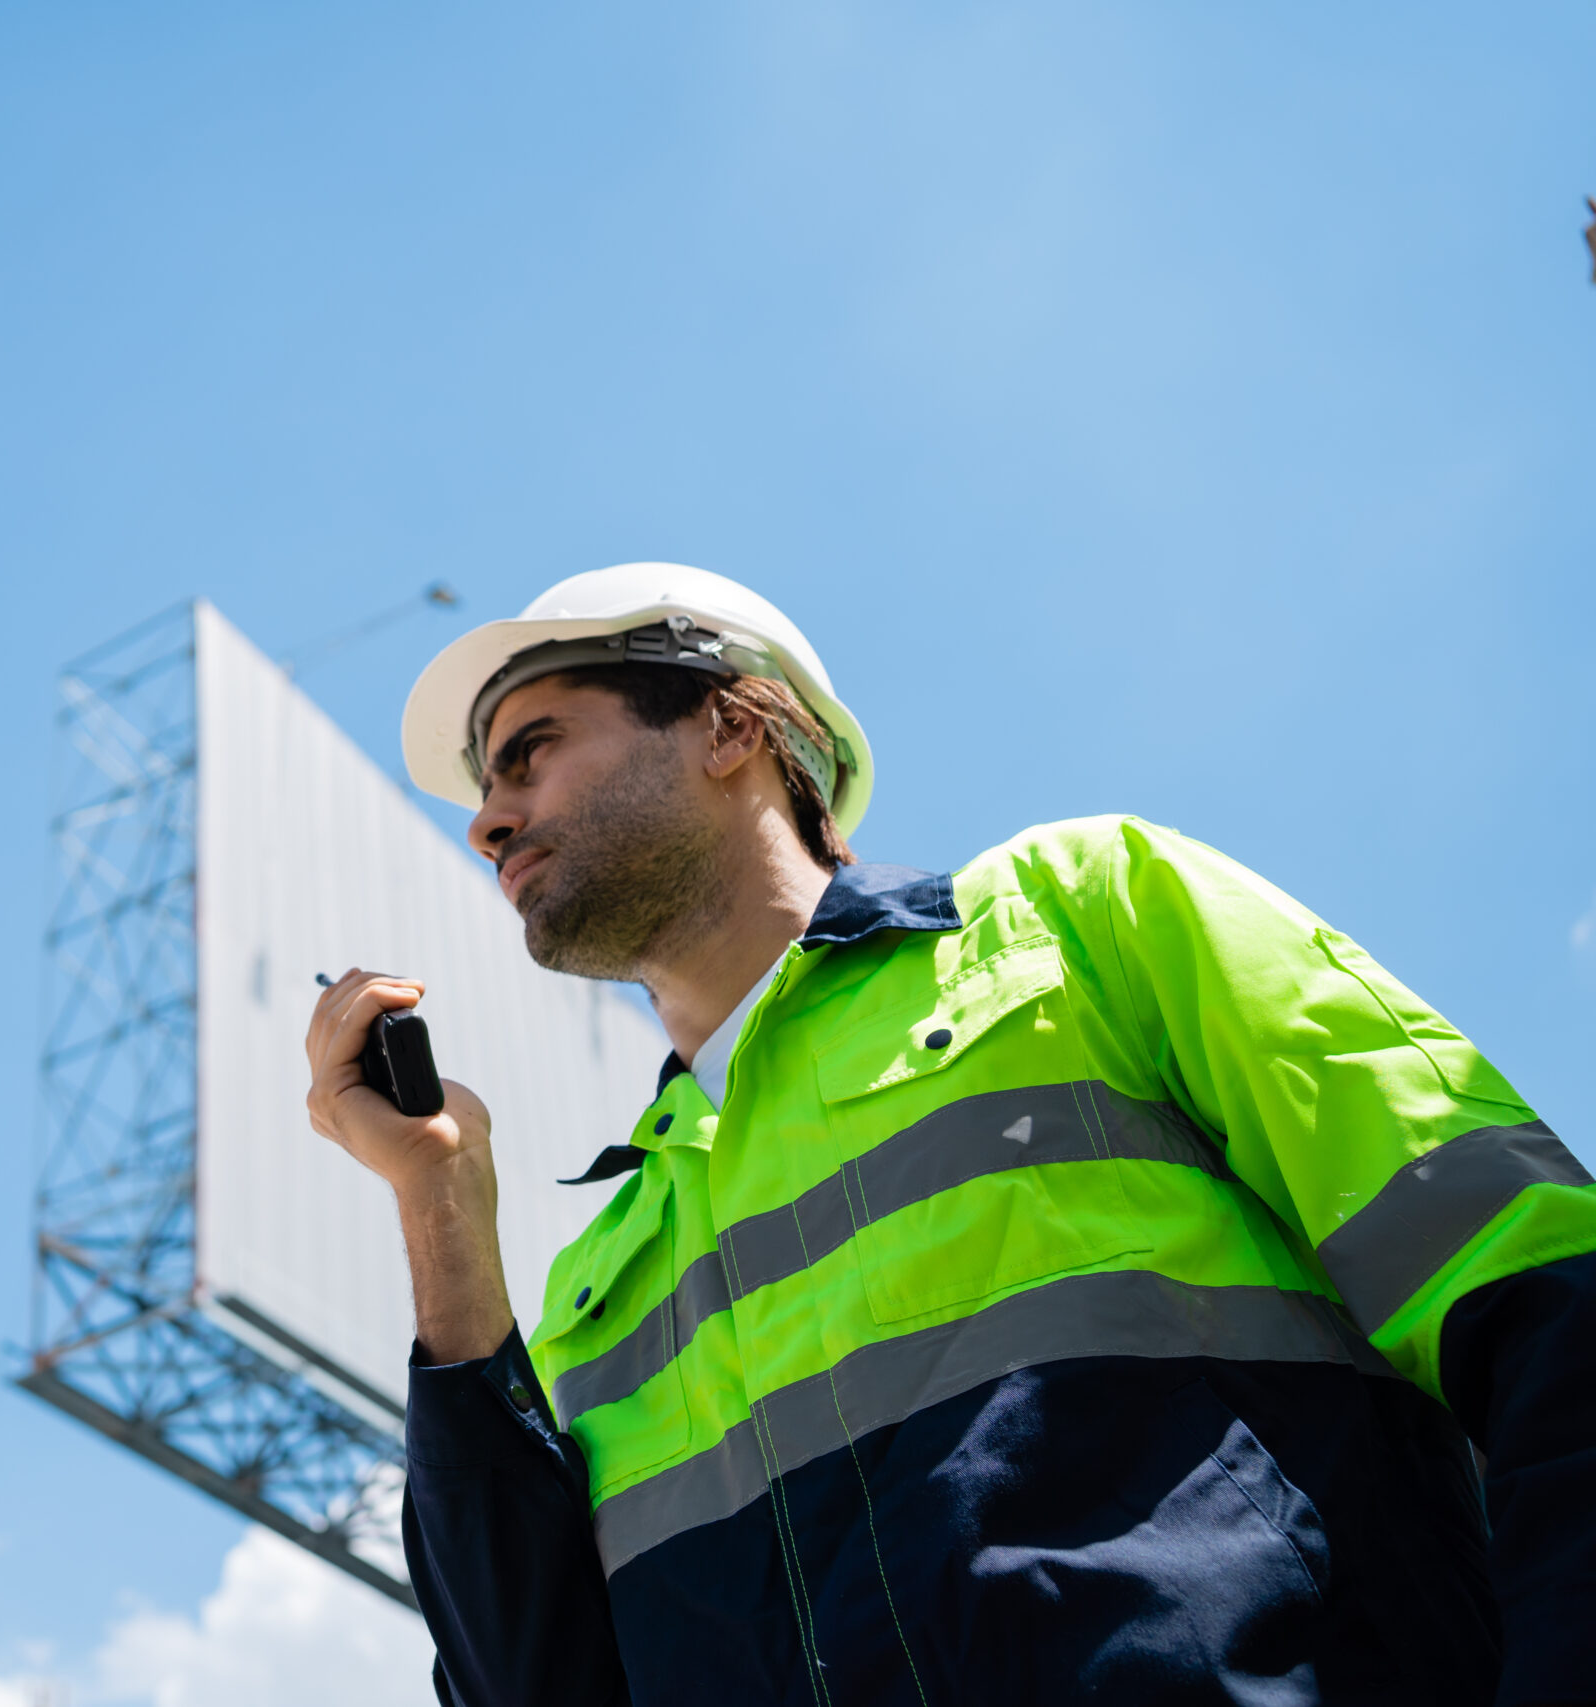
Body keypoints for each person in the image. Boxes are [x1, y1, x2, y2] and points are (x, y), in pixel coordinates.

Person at [303, 563, 1594, 1707]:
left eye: (530, 751)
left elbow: (1548, 1300)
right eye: (487, 786)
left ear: (732, 724)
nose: (486, 818)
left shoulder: (1085, 919)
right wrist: (439, 1219)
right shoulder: (603, 1274)